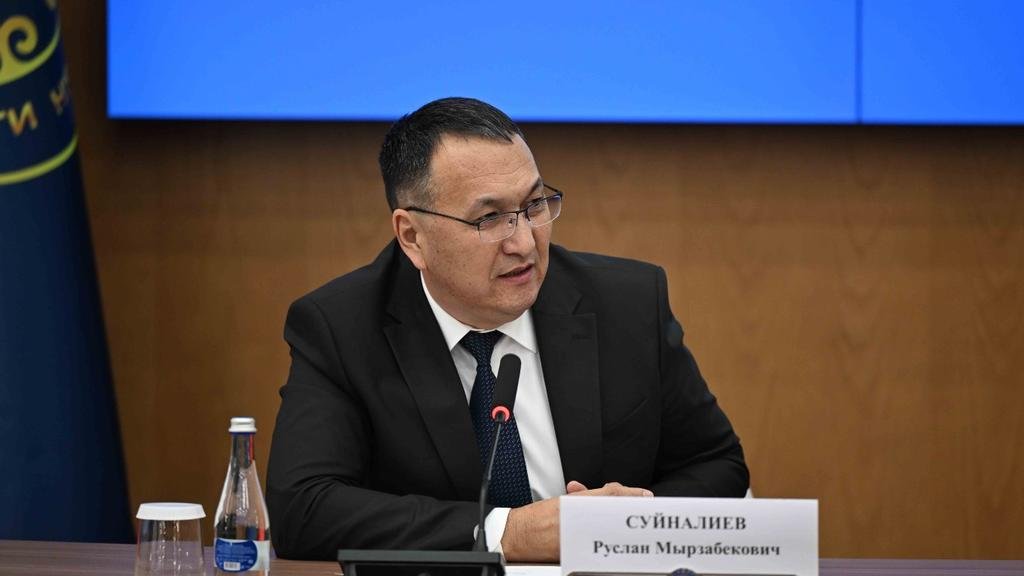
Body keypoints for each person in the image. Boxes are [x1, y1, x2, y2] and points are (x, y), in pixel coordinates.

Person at [266, 97, 749, 562]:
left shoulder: (627, 303)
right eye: (490, 218)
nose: (524, 243)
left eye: (535, 205)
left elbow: (717, 466)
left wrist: (630, 524)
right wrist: (506, 533)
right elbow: (303, 508)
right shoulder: (342, 327)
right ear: (412, 236)